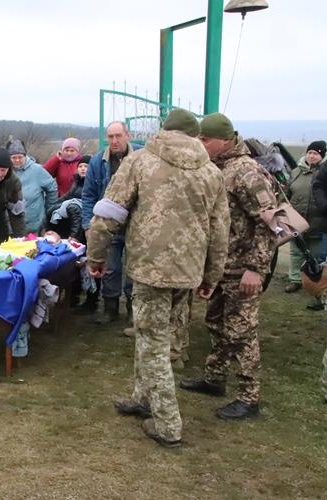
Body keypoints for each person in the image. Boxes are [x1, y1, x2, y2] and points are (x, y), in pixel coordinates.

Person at [87, 109, 230, 447]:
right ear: (195, 135)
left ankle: (167, 423)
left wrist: (96, 257)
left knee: (152, 344)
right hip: (189, 272)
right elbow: (219, 230)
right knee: (154, 338)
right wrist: (211, 274)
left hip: (151, 270)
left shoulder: (139, 162)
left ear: (165, 130)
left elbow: (107, 215)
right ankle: (143, 398)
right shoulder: (211, 172)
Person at [180, 112, 278, 421]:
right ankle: (214, 379)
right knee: (216, 323)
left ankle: (249, 398)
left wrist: (256, 269)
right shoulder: (216, 169)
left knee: (242, 333)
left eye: (205, 140)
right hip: (221, 267)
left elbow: (274, 224)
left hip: (243, 269)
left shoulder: (247, 172)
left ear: (224, 140)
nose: (201, 144)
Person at [82, 122, 139, 325]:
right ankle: (110, 308)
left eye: (118, 136)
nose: (114, 141)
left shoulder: (141, 158)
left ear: (127, 135)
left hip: (136, 225)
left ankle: (134, 311)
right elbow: (88, 196)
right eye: (110, 136)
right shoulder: (98, 162)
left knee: (135, 269)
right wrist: (89, 226)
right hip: (109, 225)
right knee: (110, 267)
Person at [284, 140, 327, 306]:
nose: (311, 155)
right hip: (296, 219)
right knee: (296, 252)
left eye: (315, 153)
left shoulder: (322, 172)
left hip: (318, 220)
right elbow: (287, 191)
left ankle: (316, 286)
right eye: (309, 152)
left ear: (322, 156)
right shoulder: (296, 172)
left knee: (316, 255)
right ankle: (295, 280)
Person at [7, 139, 57, 234]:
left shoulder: (37, 170)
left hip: (34, 225)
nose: (17, 160)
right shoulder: (4, 171)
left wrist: (49, 209)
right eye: (14, 158)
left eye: (20, 157)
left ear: (25, 156)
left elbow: (52, 187)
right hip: (11, 226)